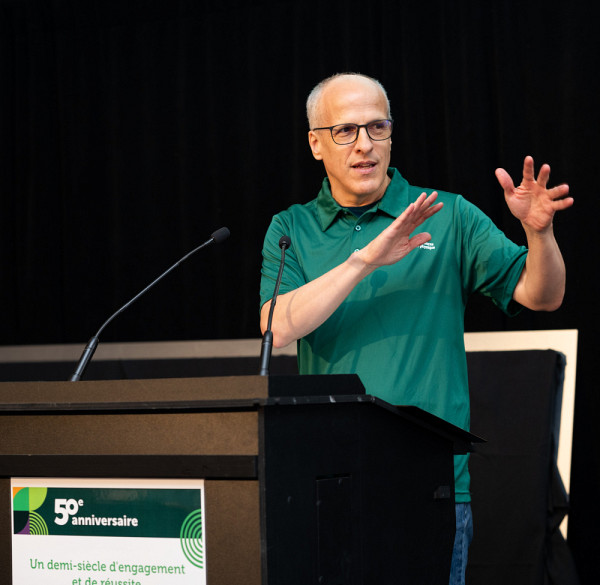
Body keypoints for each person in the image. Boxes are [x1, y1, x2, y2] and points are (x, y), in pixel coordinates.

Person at [259, 72, 573, 585]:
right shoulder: (290, 228)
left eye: (377, 127)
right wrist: (364, 261)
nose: (364, 145)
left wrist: (540, 235)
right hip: (331, 483)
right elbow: (277, 328)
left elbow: (544, 295)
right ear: (316, 144)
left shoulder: (446, 214)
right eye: (345, 131)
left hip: (432, 485)